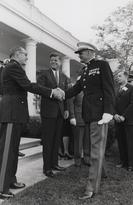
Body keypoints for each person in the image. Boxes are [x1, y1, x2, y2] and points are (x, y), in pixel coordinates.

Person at [0, 47, 64, 199]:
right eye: (25, 55)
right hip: (11, 114)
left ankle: (10, 180)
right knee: (7, 152)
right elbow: (28, 85)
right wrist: (51, 92)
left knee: (13, 151)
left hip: (15, 114)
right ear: (17, 54)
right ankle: (2, 187)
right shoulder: (13, 67)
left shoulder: (13, 67)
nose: (27, 58)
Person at [65, 42, 115, 199]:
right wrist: (57, 93)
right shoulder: (85, 70)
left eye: (81, 53)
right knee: (96, 148)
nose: (78, 55)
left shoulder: (102, 65)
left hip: (100, 115)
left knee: (95, 152)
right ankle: (103, 174)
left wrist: (108, 112)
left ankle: (91, 187)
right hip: (89, 115)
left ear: (89, 52)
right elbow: (75, 89)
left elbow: (109, 89)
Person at [37, 52, 70, 177]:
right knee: (48, 140)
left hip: (60, 112)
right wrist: (52, 92)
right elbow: (39, 89)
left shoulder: (63, 77)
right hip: (48, 112)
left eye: (56, 60)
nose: (54, 62)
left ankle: (55, 164)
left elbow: (66, 94)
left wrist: (66, 109)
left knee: (57, 139)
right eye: (52, 60)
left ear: (60, 62)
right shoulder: (43, 74)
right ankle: (47, 168)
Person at [114, 71, 133, 172]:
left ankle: (130, 164)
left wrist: (124, 116)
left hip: (129, 120)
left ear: (126, 77)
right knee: (121, 141)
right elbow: (113, 103)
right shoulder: (116, 89)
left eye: (120, 76)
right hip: (118, 119)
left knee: (129, 142)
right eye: (117, 76)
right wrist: (115, 114)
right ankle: (123, 161)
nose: (118, 77)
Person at [69, 75, 90, 167]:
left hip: (88, 119)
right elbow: (70, 103)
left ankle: (87, 158)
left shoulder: (89, 91)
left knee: (87, 140)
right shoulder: (75, 91)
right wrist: (72, 117)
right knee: (78, 141)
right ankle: (77, 160)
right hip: (78, 119)